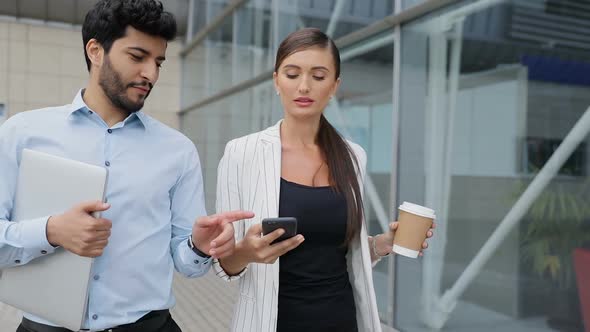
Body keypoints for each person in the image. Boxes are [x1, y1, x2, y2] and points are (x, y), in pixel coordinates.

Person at [0, 1, 252, 331]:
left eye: (158, 62)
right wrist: (51, 231)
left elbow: (189, 265)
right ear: (95, 51)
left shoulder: (178, 151)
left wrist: (199, 246)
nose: (151, 74)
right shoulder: (22, 133)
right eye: (137, 57)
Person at [213, 28, 435, 332]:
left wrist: (384, 244)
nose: (304, 86)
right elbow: (223, 265)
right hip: (271, 323)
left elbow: (343, 255)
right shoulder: (241, 153)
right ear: (276, 80)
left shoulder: (352, 155)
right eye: (292, 75)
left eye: (318, 77)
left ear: (334, 86)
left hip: (341, 320)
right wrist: (246, 253)